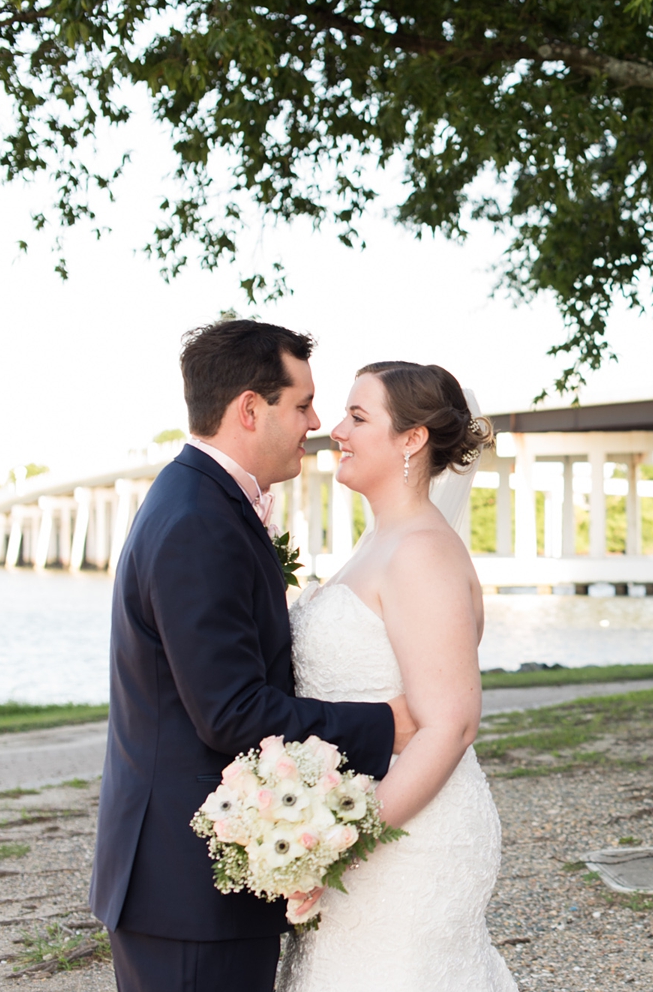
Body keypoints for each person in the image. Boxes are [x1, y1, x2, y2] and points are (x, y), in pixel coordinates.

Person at [90, 321, 418, 992]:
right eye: (301, 404)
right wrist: (390, 724)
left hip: (195, 886)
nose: (317, 421)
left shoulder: (200, 501)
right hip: (187, 894)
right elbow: (231, 712)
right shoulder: (198, 522)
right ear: (249, 408)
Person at [275, 361, 516, 991]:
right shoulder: (380, 542)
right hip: (359, 822)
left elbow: (451, 724)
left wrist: (344, 841)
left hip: (408, 839)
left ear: (411, 439)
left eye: (358, 417)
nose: (335, 430)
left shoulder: (422, 552)